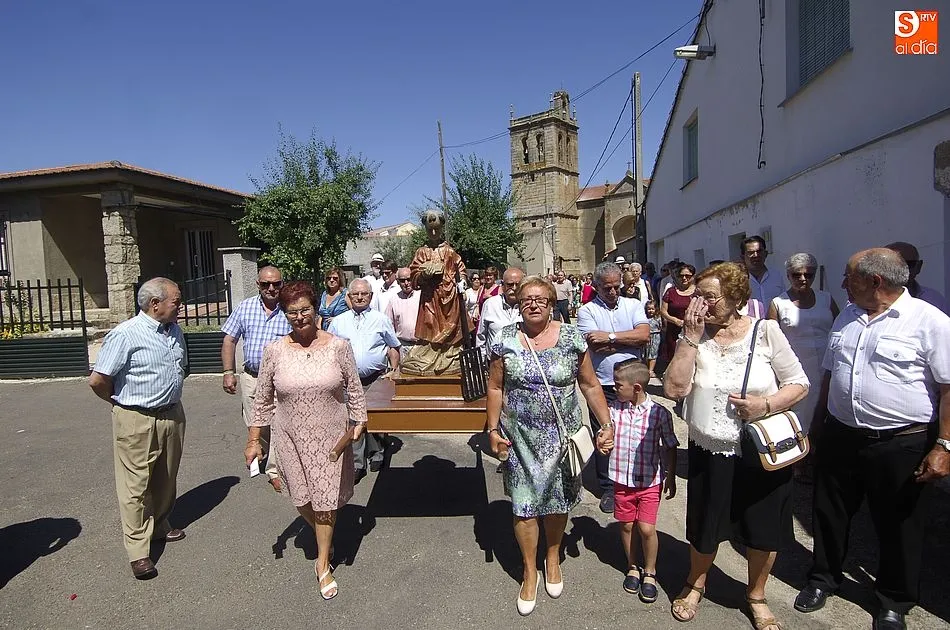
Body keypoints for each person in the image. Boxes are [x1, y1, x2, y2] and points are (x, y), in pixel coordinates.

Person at [793, 248, 950, 630]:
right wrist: (818, 427)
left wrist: (944, 445)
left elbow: (949, 387)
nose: (843, 284)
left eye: (849, 277)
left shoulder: (929, 321)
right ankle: (823, 578)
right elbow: (830, 375)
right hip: (841, 435)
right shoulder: (847, 316)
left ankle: (893, 601)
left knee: (900, 524)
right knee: (829, 513)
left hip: (901, 444)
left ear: (875, 281)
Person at [663, 262, 809, 628]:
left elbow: (799, 383)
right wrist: (690, 339)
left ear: (735, 297)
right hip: (709, 449)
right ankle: (695, 584)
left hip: (760, 452)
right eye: (697, 297)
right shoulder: (694, 336)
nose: (700, 304)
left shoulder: (765, 331)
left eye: (709, 297)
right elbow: (674, 389)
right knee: (705, 525)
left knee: (763, 528)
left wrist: (765, 405)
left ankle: (756, 595)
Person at [485, 276, 612, 616]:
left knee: (556, 503)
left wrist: (606, 424)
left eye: (541, 299)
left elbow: (590, 384)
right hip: (520, 438)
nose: (534, 304)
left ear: (553, 304)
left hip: (561, 439)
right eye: (527, 299)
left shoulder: (571, 338)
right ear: (518, 304)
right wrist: (492, 428)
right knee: (524, 506)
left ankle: (552, 556)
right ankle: (530, 571)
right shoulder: (505, 339)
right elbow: (495, 387)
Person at [244, 281, 367, 600]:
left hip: (330, 438)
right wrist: (254, 439)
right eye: (292, 312)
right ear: (285, 315)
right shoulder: (274, 351)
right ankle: (324, 535)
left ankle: (323, 563)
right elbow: (262, 399)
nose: (299, 317)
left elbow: (354, 389)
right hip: (290, 437)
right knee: (301, 498)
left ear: (316, 309)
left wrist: (359, 422)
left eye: (305, 310)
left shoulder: (338, 347)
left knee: (325, 501)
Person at [89, 277, 189, 580]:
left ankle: (158, 526)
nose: (181, 306)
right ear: (155, 304)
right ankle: (138, 551)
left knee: (166, 478)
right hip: (136, 417)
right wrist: (120, 404)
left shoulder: (174, 330)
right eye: (176, 301)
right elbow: (98, 380)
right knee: (135, 488)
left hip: (171, 414)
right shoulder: (125, 334)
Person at [596, 360, 677, 603]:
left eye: (619, 385)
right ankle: (632, 566)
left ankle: (650, 571)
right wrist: (602, 443)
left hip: (649, 481)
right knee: (627, 526)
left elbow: (670, 445)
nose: (614, 388)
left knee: (646, 528)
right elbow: (604, 433)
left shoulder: (659, 414)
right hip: (622, 480)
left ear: (637, 387)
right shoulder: (614, 410)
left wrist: (671, 476)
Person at [576, 262, 650, 513]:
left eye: (616, 287)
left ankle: (633, 481)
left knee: (634, 433)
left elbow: (643, 336)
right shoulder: (587, 311)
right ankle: (608, 487)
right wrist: (628, 340)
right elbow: (593, 345)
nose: (612, 292)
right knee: (605, 434)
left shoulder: (633, 305)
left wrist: (610, 337)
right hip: (603, 383)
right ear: (596, 286)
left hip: (633, 384)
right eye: (607, 287)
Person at [220, 265, 293, 492]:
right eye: (265, 284)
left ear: (282, 283)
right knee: (256, 424)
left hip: (281, 380)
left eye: (276, 284)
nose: (271, 288)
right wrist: (228, 372)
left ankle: (275, 470)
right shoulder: (245, 308)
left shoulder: (289, 308)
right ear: (257, 284)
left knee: (279, 423)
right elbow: (229, 340)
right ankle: (263, 452)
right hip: (252, 378)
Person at [329, 278, 400, 478]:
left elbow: (393, 346)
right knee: (354, 420)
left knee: (375, 417)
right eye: (356, 294)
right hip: (348, 380)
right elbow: (328, 348)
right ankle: (357, 463)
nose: (360, 297)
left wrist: (394, 370)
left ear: (371, 296)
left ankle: (376, 453)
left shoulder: (381, 319)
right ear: (349, 296)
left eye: (364, 294)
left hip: (376, 378)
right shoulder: (338, 321)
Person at [767, 253, 839, 434]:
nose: (803, 279)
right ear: (788, 275)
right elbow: (770, 340)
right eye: (796, 275)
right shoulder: (778, 303)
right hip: (796, 368)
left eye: (808, 275)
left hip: (827, 366)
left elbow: (840, 328)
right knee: (800, 413)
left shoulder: (826, 299)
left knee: (827, 409)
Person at [402, 209, 470, 375]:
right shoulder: (421, 252)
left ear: (442, 229)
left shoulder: (450, 251)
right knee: (430, 324)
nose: (433, 233)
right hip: (430, 299)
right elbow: (414, 276)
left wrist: (462, 282)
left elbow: (460, 269)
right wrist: (424, 275)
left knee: (451, 329)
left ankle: (449, 352)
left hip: (449, 298)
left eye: (437, 229)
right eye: (430, 229)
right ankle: (429, 352)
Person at [886, 241, 949, 314]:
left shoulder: (934, 301)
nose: (900, 270)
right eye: (892, 265)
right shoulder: (873, 302)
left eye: (908, 264)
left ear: (918, 266)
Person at [476, 267, 525, 351]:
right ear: (503, 285)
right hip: (493, 358)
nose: (514, 288)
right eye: (510, 285)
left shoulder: (529, 305)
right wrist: (482, 357)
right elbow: (481, 336)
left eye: (518, 285)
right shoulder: (490, 304)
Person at [659, 263, 696, 364]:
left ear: (693, 277)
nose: (684, 278)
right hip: (674, 331)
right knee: (674, 358)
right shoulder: (671, 292)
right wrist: (674, 320)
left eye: (687, 276)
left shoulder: (697, 292)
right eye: (681, 276)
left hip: (692, 331)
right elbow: (663, 311)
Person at [742, 236, 785, 317]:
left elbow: (783, 302)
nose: (756, 255)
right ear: (743, 256)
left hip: (774, 323)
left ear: (765, 254)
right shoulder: (738, 280)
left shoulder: (776, 276)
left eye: (759, 251)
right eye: (751, 252)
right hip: (750, 324)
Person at [385, 267, 421, 361]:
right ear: (398, 282)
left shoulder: (422, 296)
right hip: (403, 347)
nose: (406, 283)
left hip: (421, 346)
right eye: (402, 280)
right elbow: (388, 325)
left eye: (409, 279)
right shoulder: (393, 300)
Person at [316, 267, 348, 331]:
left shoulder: (345, 293)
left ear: (340, 279)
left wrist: (337, 319)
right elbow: (321, 314)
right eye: (329, 278)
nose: (331, 280)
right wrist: (318, 327)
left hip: (340, 329)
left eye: (335, 278)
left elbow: (353, 313)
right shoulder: (324, 294)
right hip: (325, 330)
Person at [644, 300, 662, 378]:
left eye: (652, 309)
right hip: (646, 336)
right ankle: (644, 369)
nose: (650, 311)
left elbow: (661, 327)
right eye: (649, 309)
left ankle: (651, 370)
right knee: (645, 353)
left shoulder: (658, 318)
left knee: (653, 354)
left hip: (655, 336)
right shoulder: (644, 318)